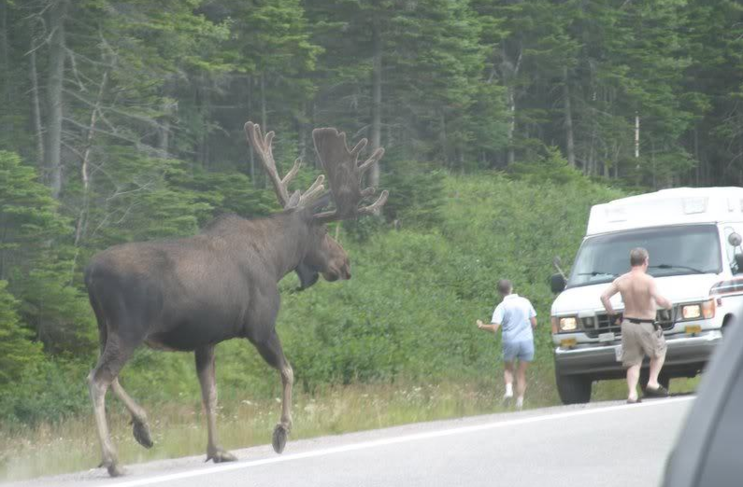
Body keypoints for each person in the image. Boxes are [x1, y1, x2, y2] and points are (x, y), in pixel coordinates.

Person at [600, 247, 672, 404]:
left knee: (633, 362)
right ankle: (653, 381)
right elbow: (659, 300)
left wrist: (613, 316)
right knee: (659, 352)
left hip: (628, 324)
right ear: (645, 261)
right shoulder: (648, 280)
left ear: (631, 261)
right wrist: (668, 304)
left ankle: (632, 394)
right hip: (646, 324)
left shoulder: (621, 280)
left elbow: (604, 296)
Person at [477, 279, 537, 410]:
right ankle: (519, 403)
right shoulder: (525, 302)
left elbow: (494, 328)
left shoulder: (502, 306)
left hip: (510, 341)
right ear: (512, 288)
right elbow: (534, 323)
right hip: (526, 340)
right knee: (521, 373)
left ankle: (509, 391)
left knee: (508, 369)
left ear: (499, 292)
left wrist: (481, 326)